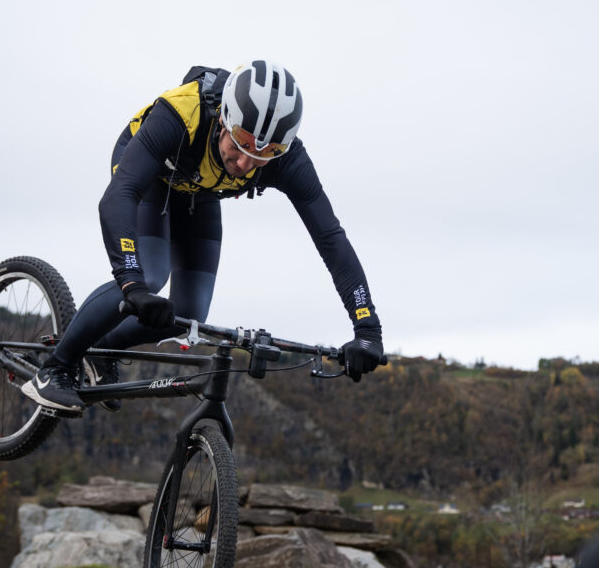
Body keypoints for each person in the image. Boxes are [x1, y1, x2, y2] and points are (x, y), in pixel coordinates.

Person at [22, 61, 386, 413]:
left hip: (199, 192)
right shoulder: (182, 114)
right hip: (148, 177)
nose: (247, 163)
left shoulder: (287, 159)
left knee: (189, 312)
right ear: (224, 117)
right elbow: (118, 197)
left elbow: (330, 239)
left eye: (265, 155)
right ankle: (55, 367)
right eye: (242, 142)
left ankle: (101, 353)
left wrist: (367, 327)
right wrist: (132, 285)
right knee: (149, 276)